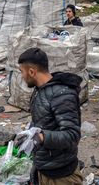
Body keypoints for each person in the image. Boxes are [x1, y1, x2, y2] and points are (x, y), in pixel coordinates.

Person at [16, 48, 83, 184]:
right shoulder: (41, 90)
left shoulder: (62, 95)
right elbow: (43, 120)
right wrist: (29, 134)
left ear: (31, 72)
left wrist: (41, 137)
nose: (22, 77)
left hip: (61, 175)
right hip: (45, 167)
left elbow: (72, 135)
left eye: (22, 72)